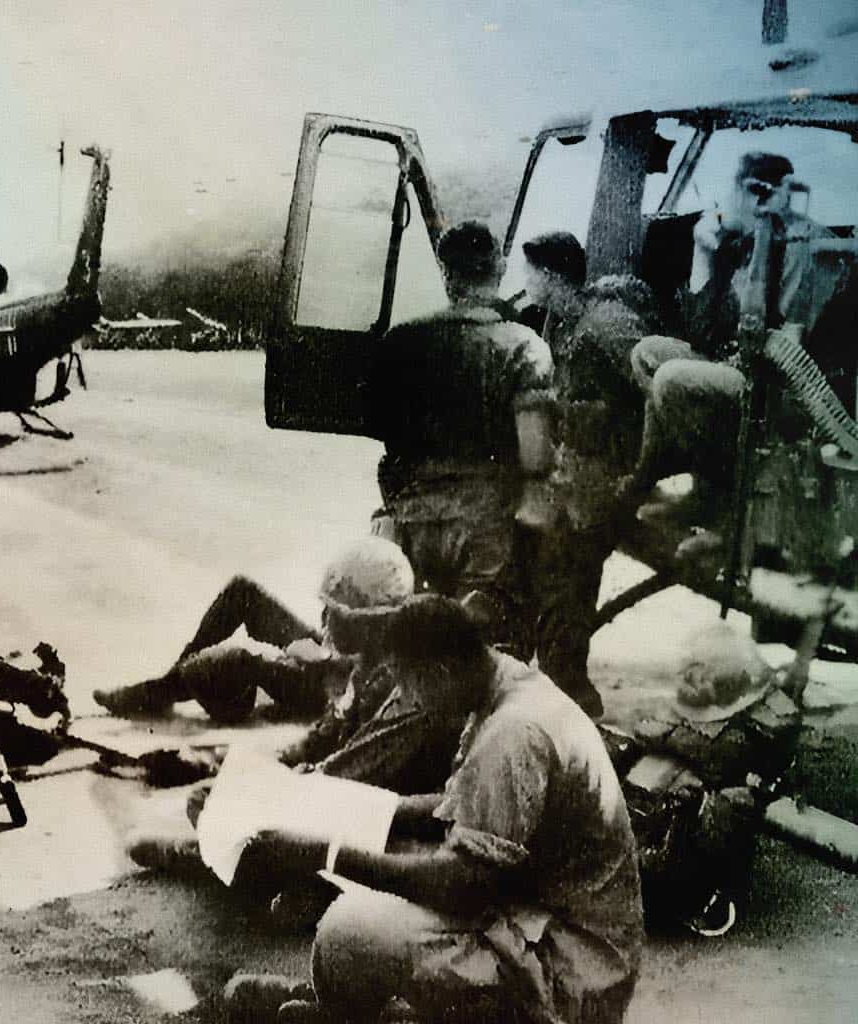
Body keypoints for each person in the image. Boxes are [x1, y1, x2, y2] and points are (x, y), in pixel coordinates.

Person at [232, 595, 643, 1024]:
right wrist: (365, 807)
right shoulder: (502, 683)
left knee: (348, 930)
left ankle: (348, 1014)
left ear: (441, 672)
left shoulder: (512, 733)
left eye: (408, 683)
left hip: (575, 972)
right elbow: (462, 807)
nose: (409, 696)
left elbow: (460, 887)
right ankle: (355, 1007)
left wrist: (326, 852)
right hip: (549, 918)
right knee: (389, 859)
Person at [622, 151, 844, 533]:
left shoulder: (802, 246)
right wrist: (702, 254)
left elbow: (786, 344)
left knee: (672, 378)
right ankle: (697, 485)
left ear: (757, 194)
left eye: (731, 195)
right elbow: (701, 332)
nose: (723, 207)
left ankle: (725, 503)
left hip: (790, 391)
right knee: (648, 353)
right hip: (743, 366)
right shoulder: (744, 240)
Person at [368, 219, 553, 666]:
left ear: (446, 273)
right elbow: (534, 451)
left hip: (411, 521)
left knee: (407, 652)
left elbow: (386, 437)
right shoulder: (525, 347)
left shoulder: (400, 343)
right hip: (486, 527)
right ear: (500, 268)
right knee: (486, 656)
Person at [519, 233, 660, 718]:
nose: (526, 283)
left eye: (531, 273)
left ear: (553, 277)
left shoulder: (607, 324)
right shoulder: (564, 318)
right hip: (575, 472)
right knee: (557, 578)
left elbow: (656, 391)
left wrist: (637, 468)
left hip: (600, 476)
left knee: (568, 582)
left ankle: (570, 695)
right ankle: (562, 687)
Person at [94, 536, 416, 725]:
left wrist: (311, 661)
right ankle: (167, 686)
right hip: (333, 658)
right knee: (243, 592)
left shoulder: (389, 673)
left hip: (324, 686)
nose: (326, 618)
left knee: (221, 666)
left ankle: (169, 688)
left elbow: (347, 705)